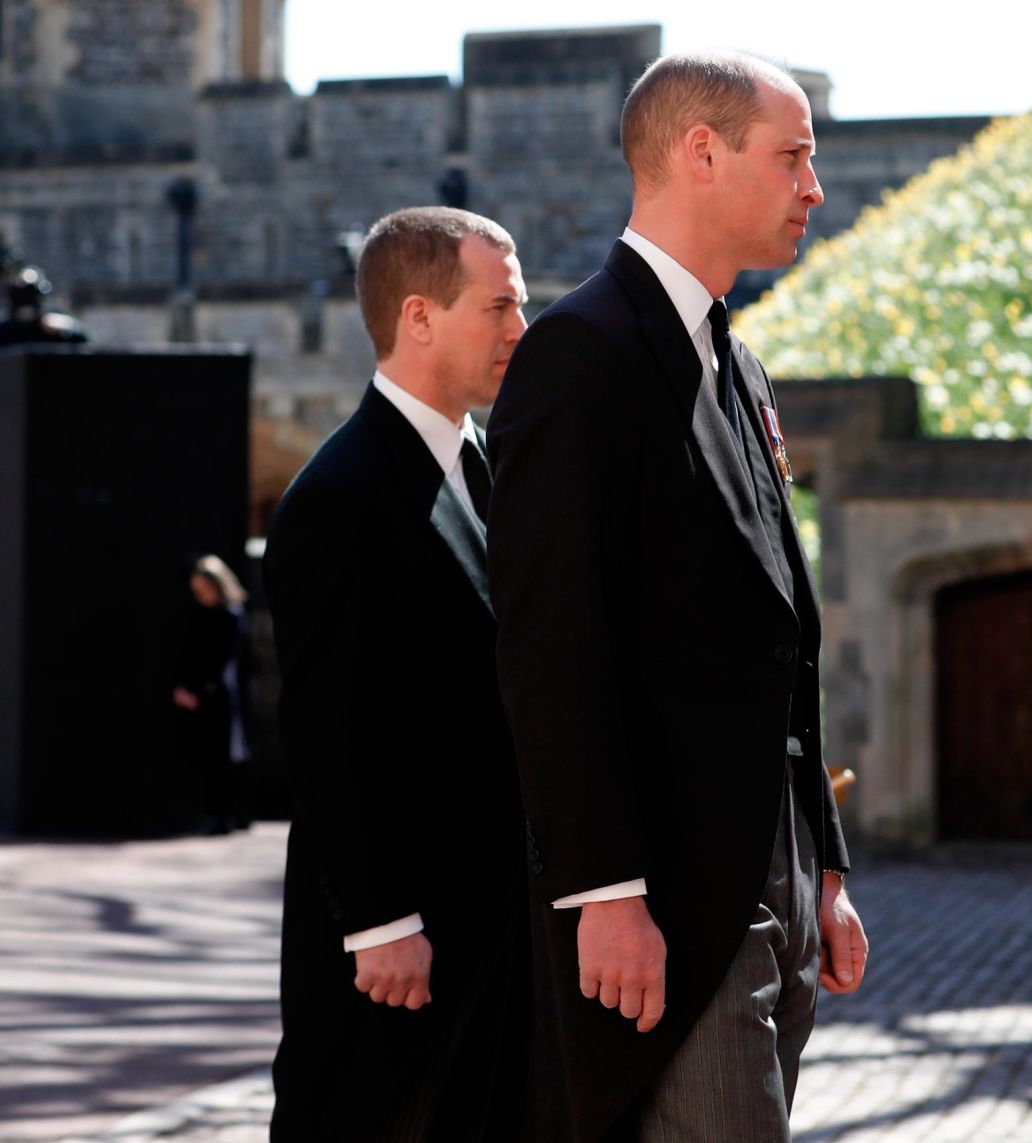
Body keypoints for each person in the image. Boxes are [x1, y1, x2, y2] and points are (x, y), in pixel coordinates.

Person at [487, 49, 869, 1142]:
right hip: (665, 884)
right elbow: (551, 643)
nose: (815, 187)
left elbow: (776, 629)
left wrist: (824, 868)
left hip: (774, 872)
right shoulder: (579, 352)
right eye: (793, 156)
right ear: (701, 153)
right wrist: (602, 890)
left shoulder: (735, 364)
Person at [264, 206, 530, 1141]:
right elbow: (333, 729)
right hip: (395, 949)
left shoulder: (481, 463)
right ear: (418, 316)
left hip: (494, 929)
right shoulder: (339, 494)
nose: (518, 330)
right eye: (498, 306)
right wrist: (381, 922)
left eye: (519, 305)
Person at [172, 553, 250, 834]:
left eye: (204, 591)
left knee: (224, 757)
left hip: (217, 695)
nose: (200, 596)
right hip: (198, 693)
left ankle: (225, 815)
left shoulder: (230, 615)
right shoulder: (201, 614)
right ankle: (209, 814)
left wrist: (201, 691)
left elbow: (223, 660)